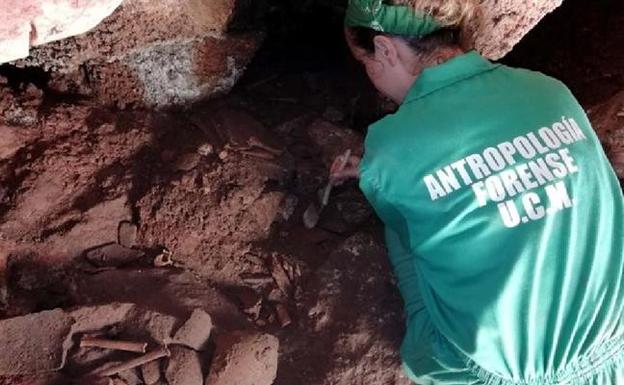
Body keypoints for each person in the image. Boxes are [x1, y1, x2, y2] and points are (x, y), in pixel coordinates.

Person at [331, 0, 624, 384]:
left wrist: (377, 173)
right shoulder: (551, 91)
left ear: (385, 48)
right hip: (616, 339)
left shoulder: (389, 145)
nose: (370, 75)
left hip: (495, 370)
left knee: (401, 232)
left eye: (365, 63)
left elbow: (413, 206)